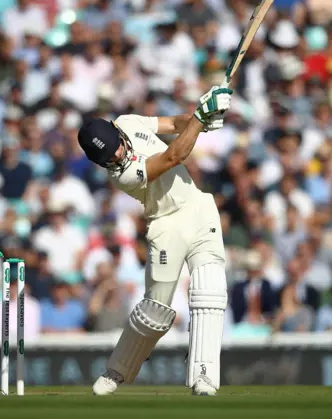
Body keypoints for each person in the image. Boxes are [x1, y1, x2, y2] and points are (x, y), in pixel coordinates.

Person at [78, 85, 232, 396]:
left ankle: (204, 376)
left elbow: (175, 125)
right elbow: (175, 155)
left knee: (210, 288)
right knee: (155, 311)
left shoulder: (129, 122)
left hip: (199, 210)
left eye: (117, 148)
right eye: (109, 158)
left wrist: (202, 117)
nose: (118, 156)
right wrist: (200, 119)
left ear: (117, 131)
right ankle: (117, 371)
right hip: (165, 225)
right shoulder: (122, 175)